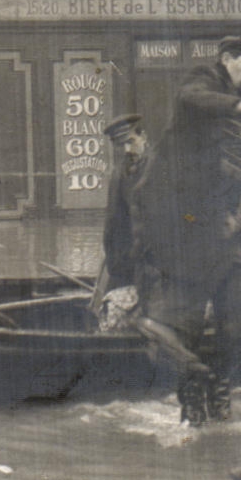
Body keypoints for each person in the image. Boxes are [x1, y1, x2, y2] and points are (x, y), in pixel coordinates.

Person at [132, 35, 241, 426]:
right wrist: (240, 105)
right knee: (180, 328)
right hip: (191, 238)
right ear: (226, 59)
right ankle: (192, 398)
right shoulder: (204, 90)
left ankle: (220, 387)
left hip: (231, 244)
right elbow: (190, 97)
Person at [91, 113, 147, 330]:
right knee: (112, 312)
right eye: (121, 145)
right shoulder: (119, 173)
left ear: (144, 137)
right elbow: (113, 223)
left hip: (151, 262)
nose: (127, 150)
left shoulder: (157, 170)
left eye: (130, 142)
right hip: (124, 262)